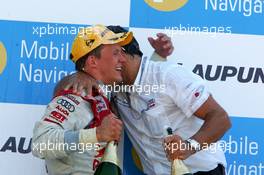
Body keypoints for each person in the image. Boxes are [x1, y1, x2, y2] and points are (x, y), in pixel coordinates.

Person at [55, 26, 231, 175]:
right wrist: (81, 76)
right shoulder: (115, 85)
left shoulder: (167, 75)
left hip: (199, 171)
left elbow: (220, 118)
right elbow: (61, 91)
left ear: (119, 57)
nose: (94, 74)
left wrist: (188, 146)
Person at [31, 24, 133, 175]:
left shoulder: (102, 98)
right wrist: (96, 134)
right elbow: (40, 144)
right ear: (92, 62)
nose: (123, 59)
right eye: (115, 53)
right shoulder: (76, 96)